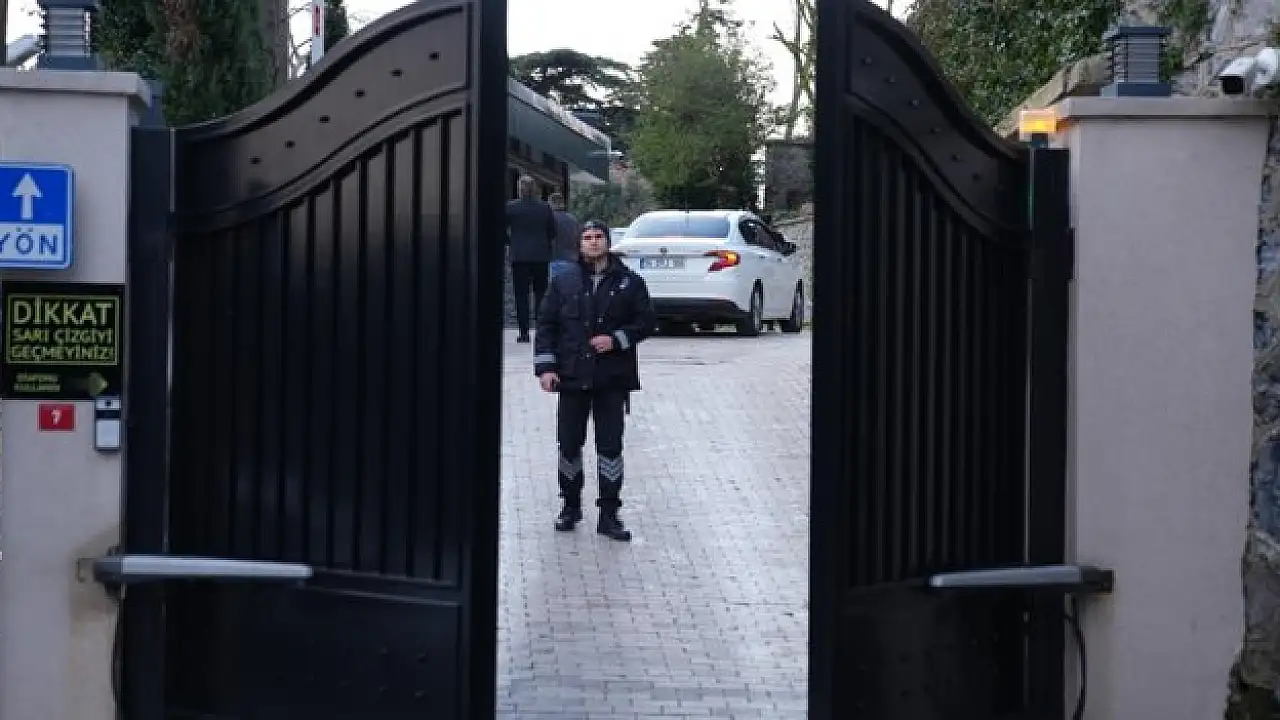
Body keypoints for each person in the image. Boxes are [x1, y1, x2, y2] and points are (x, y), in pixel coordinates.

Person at [534, 221, 655, 541]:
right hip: (571, 377)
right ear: (579, 244)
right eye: (587, 238)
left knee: (610, 447)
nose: (593, 242)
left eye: (599, 237)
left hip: (611, 378)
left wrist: (616, 340)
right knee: (569, 445)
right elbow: (546, 325)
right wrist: (546, 368)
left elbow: (646, 322)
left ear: (608, 241)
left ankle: (609, 514)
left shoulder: (630, 282)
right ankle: (570, 506)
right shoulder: (563, 281)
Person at [505, 175, 557, 343]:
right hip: (540, 256)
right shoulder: (545, 208)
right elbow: (552, 231)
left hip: (519, 256)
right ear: (535, 189)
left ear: (519, 189)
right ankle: (541, 330)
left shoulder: (511, 207)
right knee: (541, 294)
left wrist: (511, 242)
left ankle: (524, 332)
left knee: (521, 295)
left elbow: (501, 228)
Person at [547, 192, 581, 280]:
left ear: (550, 204)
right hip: (572, 261)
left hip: (553, 260)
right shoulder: (573, 219)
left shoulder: (548, 219)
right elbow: (579, 240)